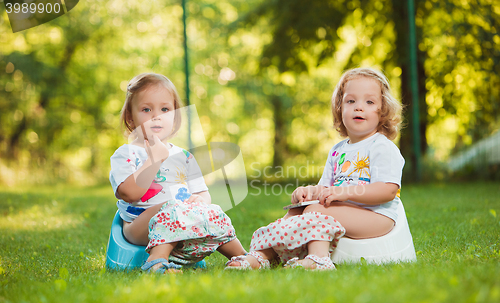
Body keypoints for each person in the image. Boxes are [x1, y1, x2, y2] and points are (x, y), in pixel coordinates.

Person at [226, 67, 404, 270]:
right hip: (347, 211)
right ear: (340, 107)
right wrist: (309, 192)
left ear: (383, 111)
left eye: (369, 102)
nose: (358, 107)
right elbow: (324, 190)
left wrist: (345, 193)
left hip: (376, 216)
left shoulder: (381, 146)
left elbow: (388, 191)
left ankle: (319, 259)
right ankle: (262, 256)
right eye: (350, 101)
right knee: (298, 210)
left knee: (316, 210)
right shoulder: (338, 151)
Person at [109, 73, 246, 273]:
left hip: (182, 221)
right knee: (170, 207)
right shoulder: (126, 154)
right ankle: (156, 262)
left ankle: (242, 257)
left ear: (174, 116)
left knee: (214, 211)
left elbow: (202, 193)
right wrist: (154, 159)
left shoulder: (184, 157)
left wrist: (200, 201)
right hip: (139, 227)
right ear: (130, 116)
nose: (157, 116)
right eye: (146, 109)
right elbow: (129, 194)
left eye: (165, 109)